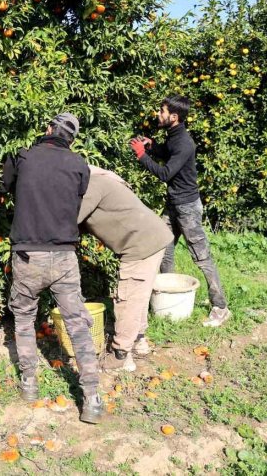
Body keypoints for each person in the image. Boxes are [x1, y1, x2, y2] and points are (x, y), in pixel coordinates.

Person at [1, 112, 104, 424]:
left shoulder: (23, 157)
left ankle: (29, 385)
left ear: (48, 129)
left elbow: (3, 187)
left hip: (28, 256)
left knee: (23, 318)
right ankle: (92, 399)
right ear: (71, 139)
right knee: (77, 323)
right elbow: (77, 196)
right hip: (63, 257)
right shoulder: (79, 165)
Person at [130, 95, 232, 327]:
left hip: (187, 208)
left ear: (173, 117)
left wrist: (141, 155)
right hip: (174, 205)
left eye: (161, 111)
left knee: (202, 257)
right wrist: (152, 146)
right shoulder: (175, 137)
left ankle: (221, 306)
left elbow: (166, 174)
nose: (158, 114)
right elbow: (168, 152)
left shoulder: (185, 143)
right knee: (162, 247)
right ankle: (167, 295)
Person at [77, 166, 173, 372]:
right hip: (154, 238)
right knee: (139, 294)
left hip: (141, 244)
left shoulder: (93, 186)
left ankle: (120, 356)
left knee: (128, 297)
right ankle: (139, 341)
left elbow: (69, 221)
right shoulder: (103, 180)